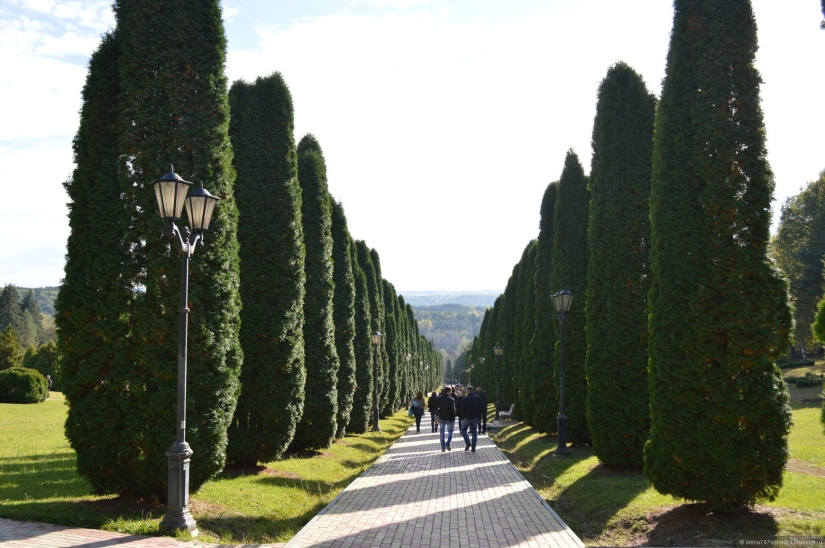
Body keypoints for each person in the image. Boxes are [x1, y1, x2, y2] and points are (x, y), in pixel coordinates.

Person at [460, 385, 483, 452]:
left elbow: (462, 409)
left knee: (463, 430)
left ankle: (468, 442)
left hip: (466, 417)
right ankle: (473, 447)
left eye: (466, 390)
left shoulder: (464, 399)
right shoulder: (478, 398)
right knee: (474, 432)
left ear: (468, 391)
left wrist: (463, 415)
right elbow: (481, 407)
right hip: (475, 417)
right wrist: (478, 415)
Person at [436, 387, 456, 451]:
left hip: (441, 418)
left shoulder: (439, 398)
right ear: (447, 392)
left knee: (442, 432)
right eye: (450, 391)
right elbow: (452, 410)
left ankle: (443, 447)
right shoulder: (451, 399)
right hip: (449, 418)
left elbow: (435, 408)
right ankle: (448, 443)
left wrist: (439, 413)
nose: (451, 393)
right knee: (450, 431)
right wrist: (454, 417)